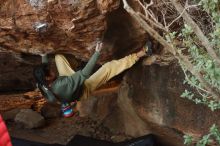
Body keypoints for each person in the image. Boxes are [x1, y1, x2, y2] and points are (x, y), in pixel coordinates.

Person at [33, 41, 152, 117]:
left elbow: (46, 71)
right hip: (83, 88)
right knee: (108, 68)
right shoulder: (61, 85)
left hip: (66, 86)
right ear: (48, 77)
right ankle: (142, 53)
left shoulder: (41, 84)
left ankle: (75, 73)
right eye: (50, 71)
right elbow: (85, 74)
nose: (52, 70)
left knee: (59, 57)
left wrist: (43, 55)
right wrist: (96, 53)